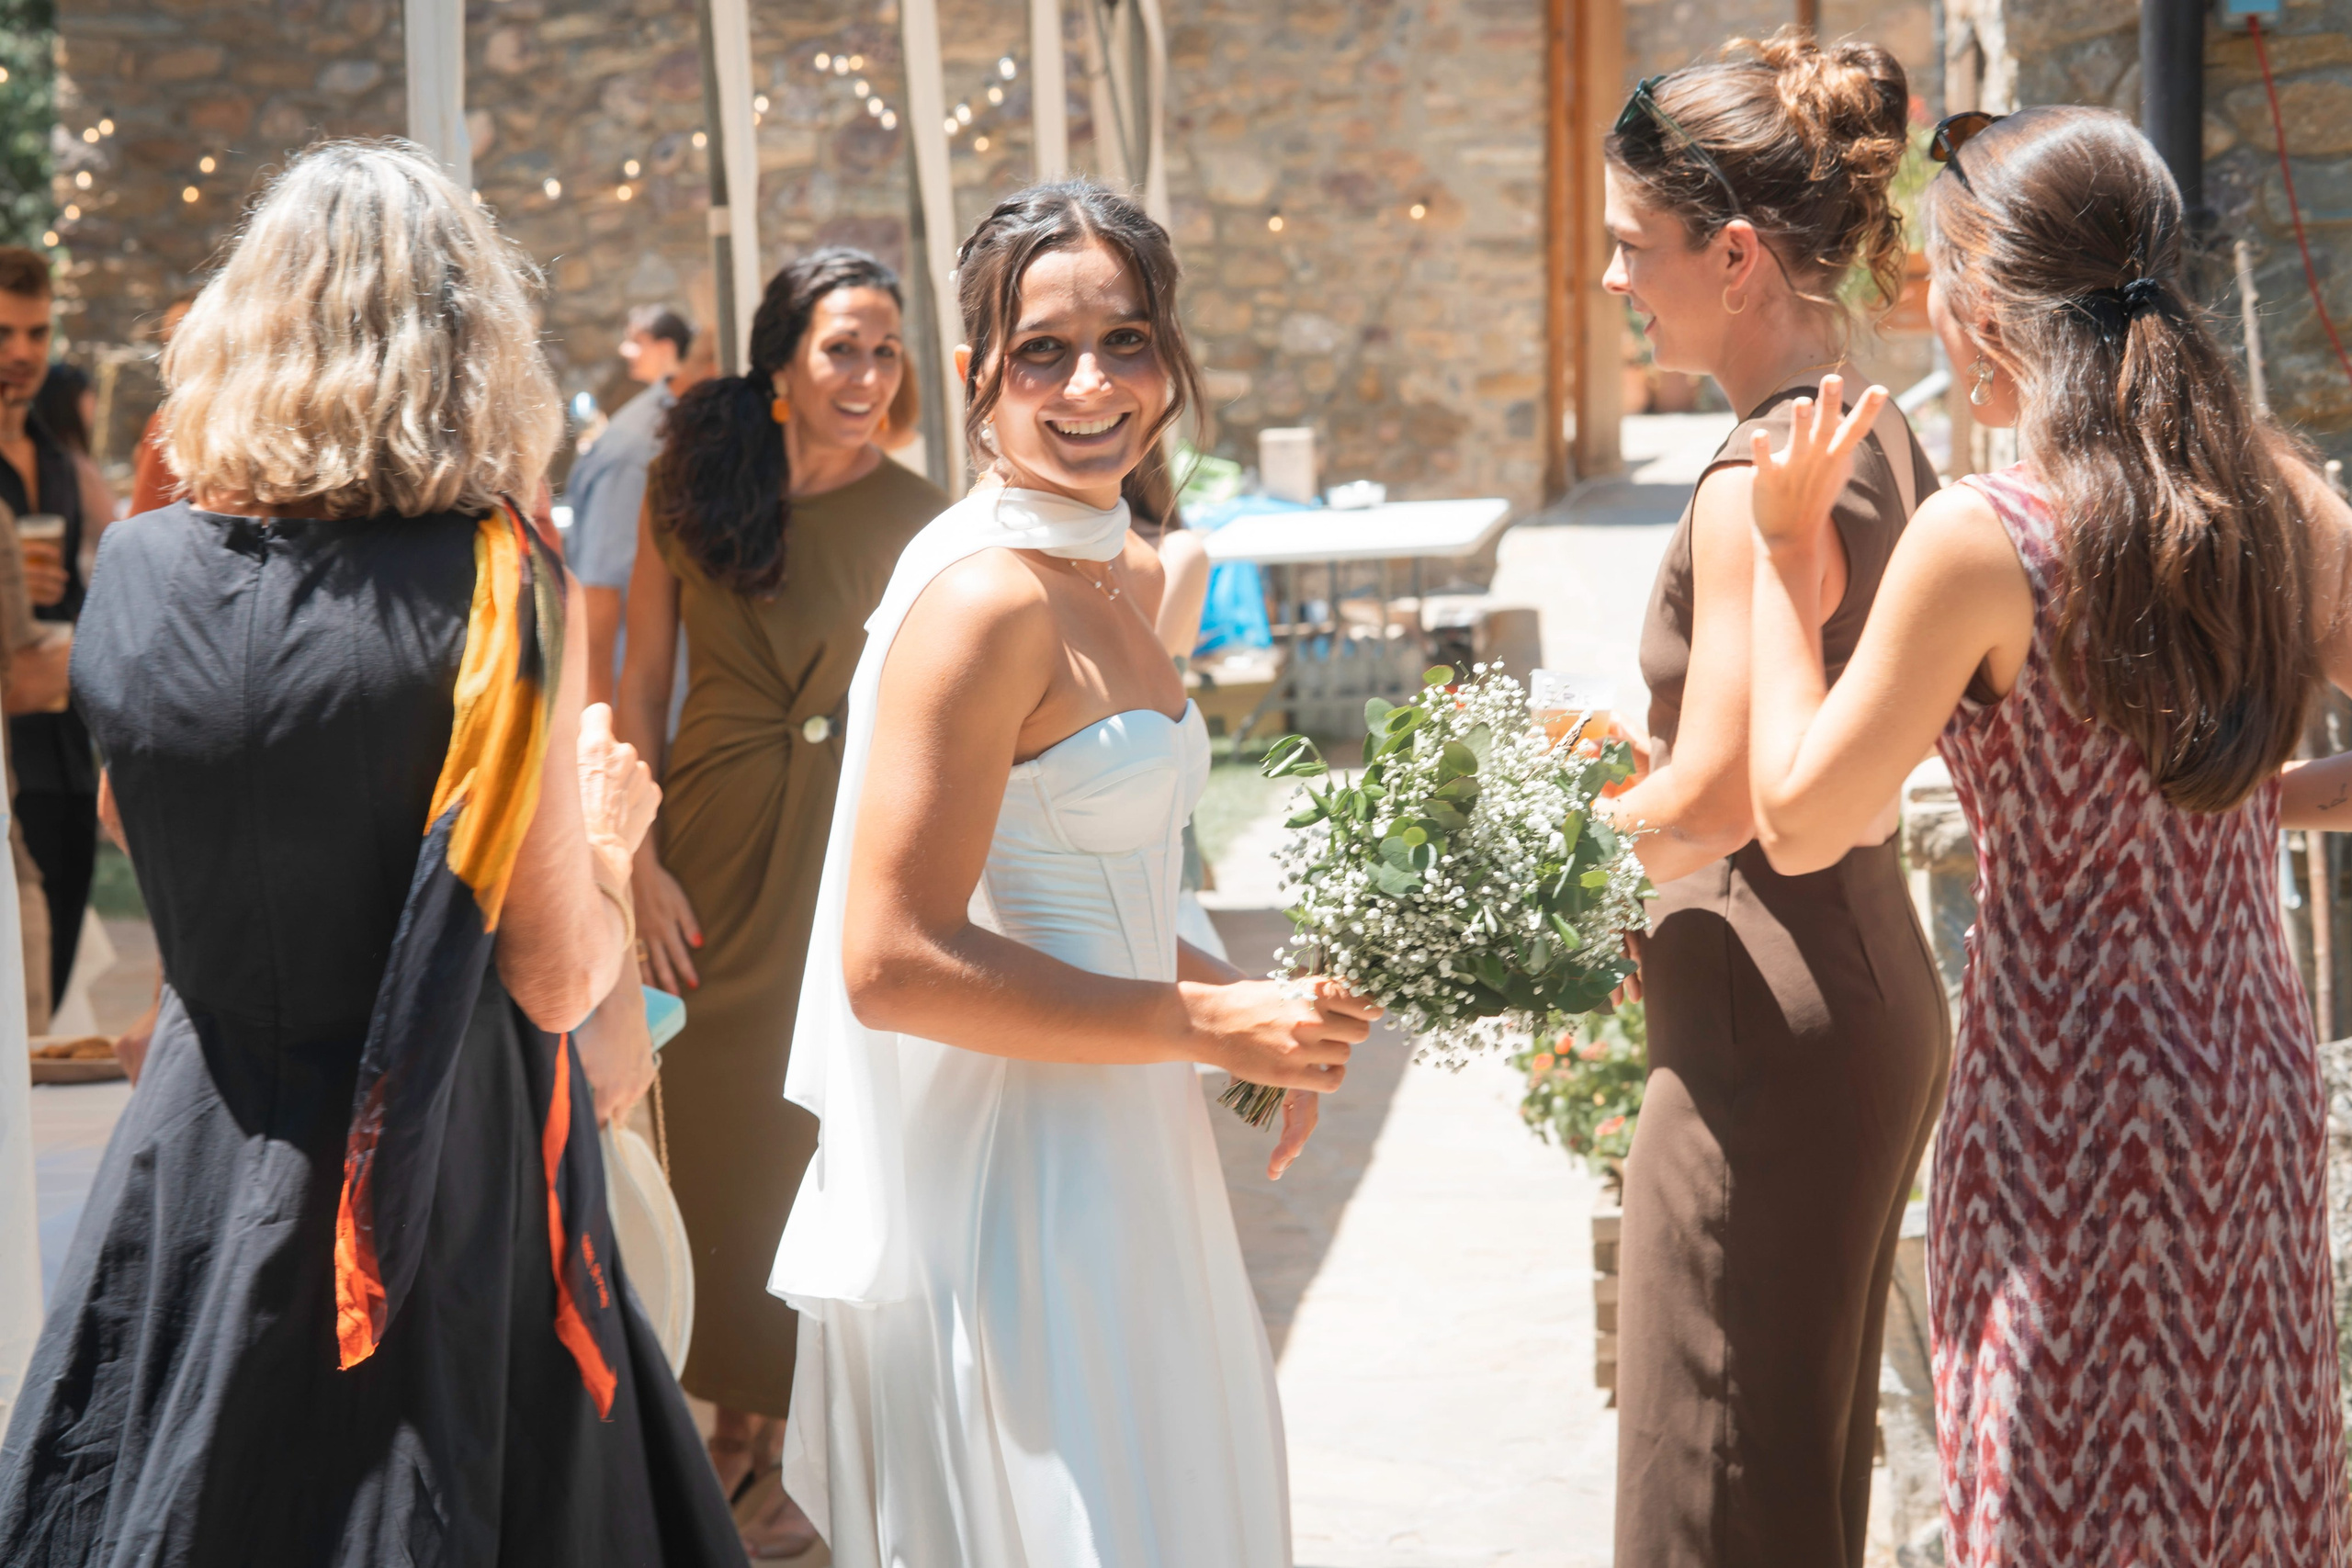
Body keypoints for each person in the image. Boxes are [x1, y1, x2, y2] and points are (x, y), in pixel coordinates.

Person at [0, 140, 749, 1568]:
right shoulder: (498, 579)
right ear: (473, 346)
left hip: (200, 1145)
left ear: (246, 326)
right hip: (433, 1183)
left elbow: (123, 820)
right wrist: (601, 842)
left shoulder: (143, 565)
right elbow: (553, 979)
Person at [1745, 107, 2350, 1565]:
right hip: (2248, 1096)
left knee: (2061, 1494)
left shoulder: (1988, 532)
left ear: (1979, 302)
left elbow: (1801, 812)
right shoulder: (2268, 494)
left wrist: (1779, 567)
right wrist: (2232, 801)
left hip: (2066, 1108)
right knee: (2245, 1498)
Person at [769, 178, 1375, 1566]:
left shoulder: (1115, 568)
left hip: (1133, 1147)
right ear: (978, 374)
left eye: (1128, 340)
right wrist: (1198, 1020)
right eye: (1042, 350)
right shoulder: (983, 599)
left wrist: (1243, 1017)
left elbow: (1083, 896)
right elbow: (888, 960)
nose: (1091, 382)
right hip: (1028, 1189)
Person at [1592, 34, 1951, 1566]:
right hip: (1844, 992)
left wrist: (1547, 826)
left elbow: (1720, 797)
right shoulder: (1867, 426)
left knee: (1713, 1490)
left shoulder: (1761, 475)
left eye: (1631, 245)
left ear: (1733, 256)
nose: (1615, 280)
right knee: (1787, 1473)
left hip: (1763, 1031)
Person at [615, 249, 941, 1558]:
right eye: (843, 348)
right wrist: (634, 859)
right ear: (780, 368)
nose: (868, 375)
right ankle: (719, 1431)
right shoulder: (685, 490)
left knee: (817, 1136)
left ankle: (772, 1444)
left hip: (843, 853)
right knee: (713, 1143)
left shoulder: (922, 516)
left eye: (884, 349)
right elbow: (637, 683)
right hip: (705, 841)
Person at [0, 251, 97, 1016]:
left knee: (51, 989)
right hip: (6, 757)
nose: (22, 353)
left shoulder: (59, 460)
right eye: (3, 333)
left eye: (36, 332)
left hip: (66, 756)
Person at [571, 302, 698, 705]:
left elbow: (600, 589)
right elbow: (600, 588)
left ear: (666, 347)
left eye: (636, 341)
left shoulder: (642, 438)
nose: (626, 351)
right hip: (639, 692)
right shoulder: (638, 436)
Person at [29, 364, 118, 547]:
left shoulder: (42, 455)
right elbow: (110, 527)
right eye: (89, 395)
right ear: (72, 401)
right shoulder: (74, 464)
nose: (95, 405)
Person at [128, 292, 197, 517]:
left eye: (184, 341)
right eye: (165, 344)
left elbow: (138, 535)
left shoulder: (168, 427)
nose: (170, 358)